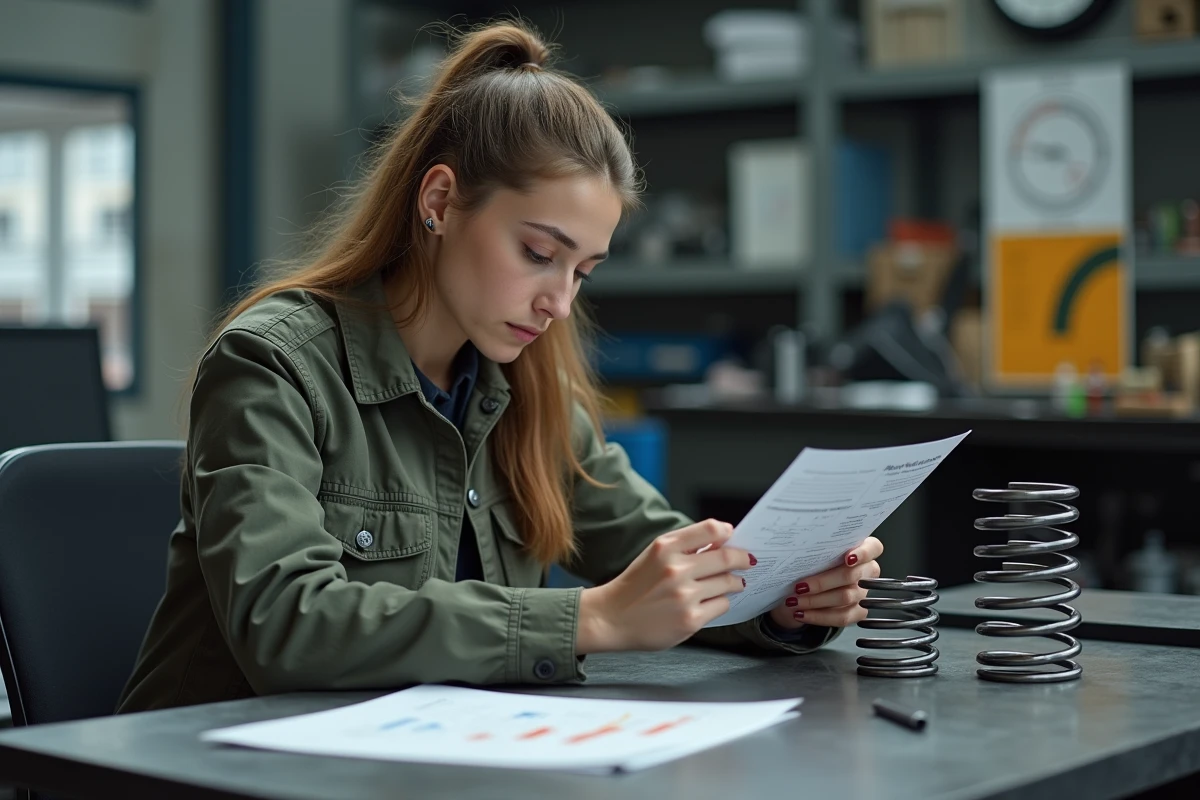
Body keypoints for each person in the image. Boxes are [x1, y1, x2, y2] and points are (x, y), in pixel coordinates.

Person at [117, 20, 882, 713]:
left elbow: (653, 557)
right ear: (442, 201)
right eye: (539, 254)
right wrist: (592, 618)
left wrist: (776, 599)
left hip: (422, 758)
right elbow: (286, 625)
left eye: (583, 270)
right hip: (210, 768)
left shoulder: (525, 384)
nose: (557, 301)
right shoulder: (272, 362)